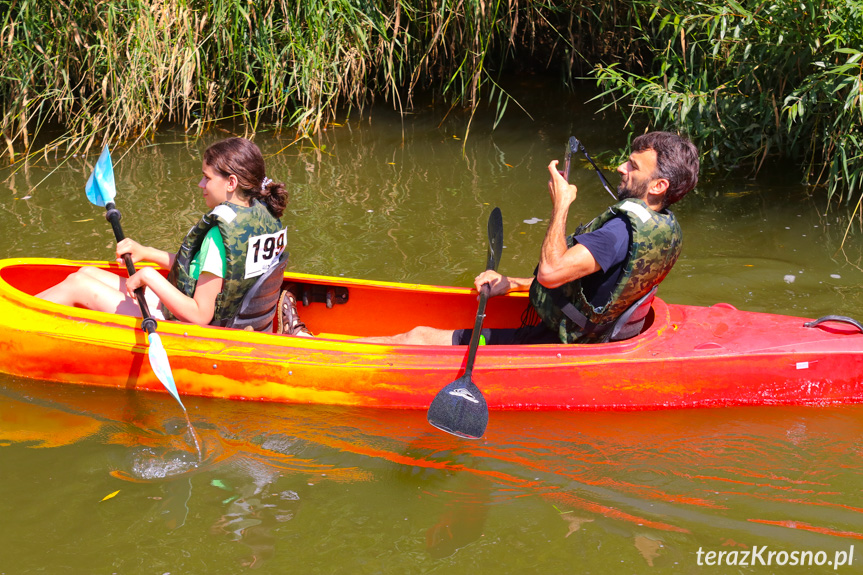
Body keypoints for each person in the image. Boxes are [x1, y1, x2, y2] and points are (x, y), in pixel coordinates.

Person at [361, 131, 699, 345]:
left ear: (658, 186)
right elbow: (590, 283)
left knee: (418, 336)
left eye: (633, 166)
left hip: (563, 342)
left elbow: (552, 274)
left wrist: (561, 205)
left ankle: (309, 348)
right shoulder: (663, 224)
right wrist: (513, 283)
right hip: (598, 332)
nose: (621, 168)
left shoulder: (616, 233)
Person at [39, 137, 291, 328]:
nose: (201, 184)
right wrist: (145, 252)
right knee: (85, 273)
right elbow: (200, 272)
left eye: (207, 178)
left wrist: (149, 276)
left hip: (186, 325)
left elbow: (200, 315)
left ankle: (15, 322)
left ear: (231, 182)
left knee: (78, 285)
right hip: (217, 314)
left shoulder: (219, 237)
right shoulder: (259, 216)